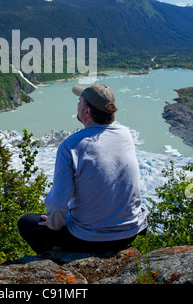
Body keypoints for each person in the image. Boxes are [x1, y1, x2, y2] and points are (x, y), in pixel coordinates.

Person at [18, 83, 148, 254]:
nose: (77, 105)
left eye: (80, 102)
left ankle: (52, 258)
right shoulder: (125, 134)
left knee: (26, 222)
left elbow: (57, 205)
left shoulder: (70, 146)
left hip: (89, 238)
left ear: (87, 112)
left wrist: (54, 224)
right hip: (129, 233)